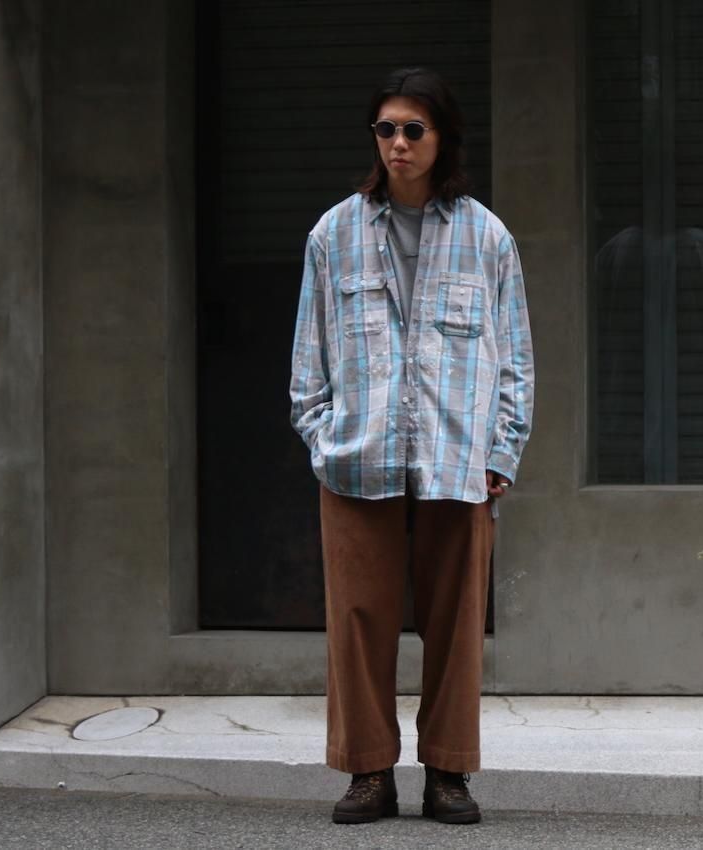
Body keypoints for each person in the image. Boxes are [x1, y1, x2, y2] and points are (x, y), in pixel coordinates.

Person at [289, 67, 534, 825]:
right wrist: (323, 436)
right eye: (386, 129)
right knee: (357, 621)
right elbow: (308, 358)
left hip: (458, 463)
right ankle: (368, 773)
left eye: (414, 129)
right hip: (356, 459)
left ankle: (448, 773)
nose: (398, 143)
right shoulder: (333, 234)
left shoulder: (486, 236)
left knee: (455, 624)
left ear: (442, 138)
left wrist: (501, 451)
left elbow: (514, 358)